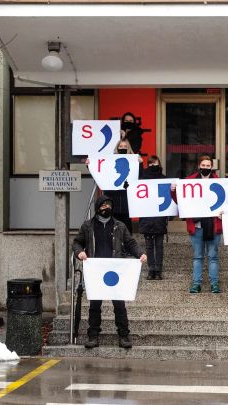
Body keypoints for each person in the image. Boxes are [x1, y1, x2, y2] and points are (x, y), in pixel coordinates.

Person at [72, 195, 147, 349]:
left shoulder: (120, 226)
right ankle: (93, 336)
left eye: (109, 205)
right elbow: (77, 242)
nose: (106, 208)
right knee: (94, 305)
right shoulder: (87, 226)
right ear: (98, 208)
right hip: (95, 271)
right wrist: (79, 252)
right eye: (103, 205)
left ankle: (124, 335)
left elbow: (130, 243)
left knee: (119, 304)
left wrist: (140, 253)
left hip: (115, 270)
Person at [172, 155, 228, 294]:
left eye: (208, 166)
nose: (206, 168)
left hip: (213, 226)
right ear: (199, 166)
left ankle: (214, 284)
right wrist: (173, 191)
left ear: (212, 167)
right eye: (204, 165)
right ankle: (196, 284)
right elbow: (181, 201)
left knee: (213, 256)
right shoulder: (189, 182)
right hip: (197, 226)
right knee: (197, 256)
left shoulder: (220, 183)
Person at [139, 155, 168, 280]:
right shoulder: (142, 178)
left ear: (159, 164)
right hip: (147, 216)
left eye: (155, 163)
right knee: (149, 246)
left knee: (159, 245)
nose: (153, 165)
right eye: (150, 163)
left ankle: (159, 270)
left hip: (159, 217)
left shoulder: (164, 179)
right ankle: (151, 270)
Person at [103, 139, 136, 233]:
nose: (123, 148)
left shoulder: (134, 163)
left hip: (127, 205)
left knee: (127, 233)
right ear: (117, 148)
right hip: (113, 203)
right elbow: (100, 172)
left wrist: (140, 164)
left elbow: (140, 177)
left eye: (125, 146)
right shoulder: (110, 161)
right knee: (112, 233)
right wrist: (89, 165)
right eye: (121, 146)